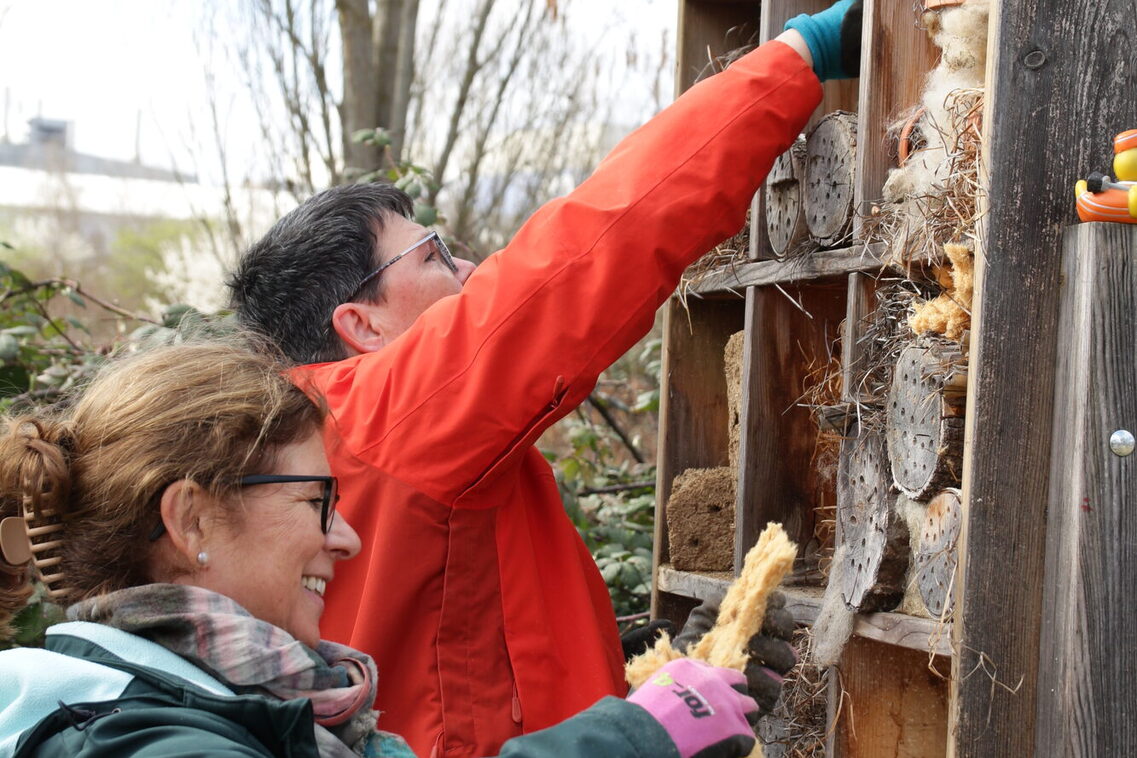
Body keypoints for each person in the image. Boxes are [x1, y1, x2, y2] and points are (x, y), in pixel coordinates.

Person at [228, 3, 861, 755]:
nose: (469, 272)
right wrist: (796, 57)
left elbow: (465, 648)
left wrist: (646, 666)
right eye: (433, 256)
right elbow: (594, 246)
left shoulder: (304, 445)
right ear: (360, 326)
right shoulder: (387, 416)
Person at [0, 341, 764, 758]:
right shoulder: (141, 742)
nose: (347, 536)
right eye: (314, 502)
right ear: (191, 520)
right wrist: (632, 743)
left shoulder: (237, 706)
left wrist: (646, 718)